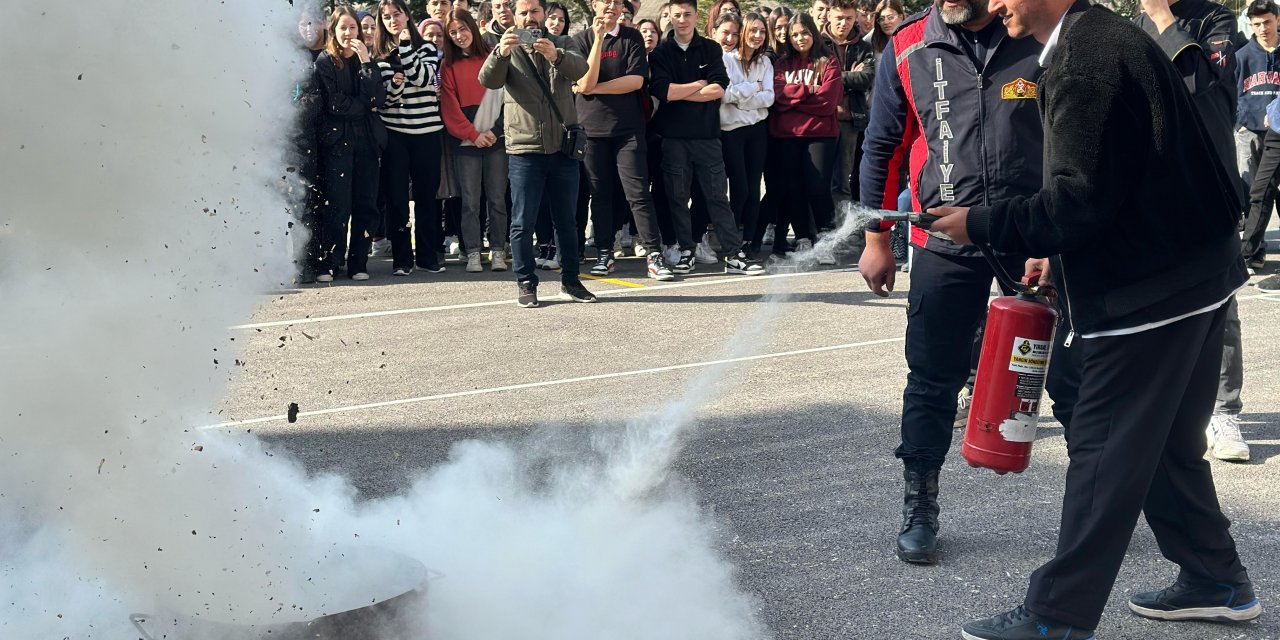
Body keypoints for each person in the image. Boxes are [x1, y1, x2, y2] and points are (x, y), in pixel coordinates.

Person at [931, 0, 1260, 635]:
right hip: (1196, 274)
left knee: (1101, 449)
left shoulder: (1085, 58)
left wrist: (979, 224)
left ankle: (1057, 615)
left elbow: (1077, 201)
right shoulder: (1101, 38)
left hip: (1149, 293)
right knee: (1165, 442)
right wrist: (1055, 254)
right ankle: (1214, 577)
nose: (995, 5)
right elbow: (1120, 178)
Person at [857, 0, 1044, 565]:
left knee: (1077, 382)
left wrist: (1054, 240)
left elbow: (1073, 142)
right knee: (932, 377)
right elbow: (881, 144)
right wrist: (876, 237)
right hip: (943, 238)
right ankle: (920, 506)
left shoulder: (1039, 34)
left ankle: (1092, 513)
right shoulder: (909, 44)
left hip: (1032, 234)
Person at [479, 0, 598, 307]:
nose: (530, 18)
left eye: (535, 12)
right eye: (523, 13)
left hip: (563, 147)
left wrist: (555, 55)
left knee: (567, 220)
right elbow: (488, 80)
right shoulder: (506, 46)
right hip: (524, 147)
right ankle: (526, 282)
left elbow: (581, 69)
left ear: (544, 14)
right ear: (513, 17)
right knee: (522, 221)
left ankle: (571, 282)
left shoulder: (562, 42)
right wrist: (500, 52)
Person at [649, 0, 766, 275]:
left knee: (717, 197)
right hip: (674, 139)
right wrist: (697, 86)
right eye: (676, 15)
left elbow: (719, 88)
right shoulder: (662, 52)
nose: (681, 20)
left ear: (696, 16)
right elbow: (663, 91)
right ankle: (686, 251)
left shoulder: (711, 49)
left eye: (687, 14)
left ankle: (734, 255)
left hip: (708, 137)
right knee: (677, 197)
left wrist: (682, 92)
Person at [573, 0, 673, 280]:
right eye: (606, 1)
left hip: (628, 130)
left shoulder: (632, 37)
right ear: (594, 4)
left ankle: (654, 254)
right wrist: (598, 40)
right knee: (600, 195)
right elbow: (582, 78)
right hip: (591, 130)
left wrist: (593, 87)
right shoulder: (578, 40)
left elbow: (635, 81)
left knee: (638, 194)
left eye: (618, 2)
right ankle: (605, 253)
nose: (612, 6)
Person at [314, 5, 388, 282]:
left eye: (353, 27)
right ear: (333, 30)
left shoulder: (365, 60)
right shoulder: (325, 61)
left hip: (366, 141)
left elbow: (378, 99)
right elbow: (334, 104)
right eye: (343, 27)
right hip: (337, 142)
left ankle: (359, 261)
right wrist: (364, 106)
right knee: (337, 203)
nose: (349, 33)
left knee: (366, 203)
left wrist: (367, 62)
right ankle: (330, 262)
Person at [375, 0, 446, 276]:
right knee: (396, 199)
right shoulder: (379, 54)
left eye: (397, 14)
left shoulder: (427, 47)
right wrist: (394, 87)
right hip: (395, 134)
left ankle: (428, 256)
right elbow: (385, 101)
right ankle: (402, 258)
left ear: (407, 16)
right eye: (387, 16)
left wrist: (405, 49)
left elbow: (424, 78)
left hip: (427, 133)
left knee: (427, 197)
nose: (393, 20)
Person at [440, 8, 510, 273]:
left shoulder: (494, 55)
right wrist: (473, 134)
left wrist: (495, 129)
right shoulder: (447, 65)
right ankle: (472, 251)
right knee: (470, 201)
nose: (459, 36)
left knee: (497, 199)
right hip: (466, 141)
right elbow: (449, 108)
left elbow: (507, 96)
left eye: (463, 29)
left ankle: (498, 250)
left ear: (474, 27)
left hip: (497, 137)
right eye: (453, 32)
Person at [770, 12, 843, 262]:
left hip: (821, 135)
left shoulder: (828, 62)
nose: (800, 38)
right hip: (786, 135)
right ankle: (802, 237)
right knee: (794, 188)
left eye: (804, 33)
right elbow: (778, 97)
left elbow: (827, 102)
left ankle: (825, 241)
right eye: (794, 34)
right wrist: (809, 90)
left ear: (813, 32)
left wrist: (794, 98)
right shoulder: (781, 64)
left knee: (818, 188)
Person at [720, 12, 774, 258]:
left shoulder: (765, 63)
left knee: (753, 189)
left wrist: (743, 99)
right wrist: (754, 88)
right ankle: (730, 239)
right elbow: (725, 95)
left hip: (757, 131)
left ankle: (749, 241)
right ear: (743, 32)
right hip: (731, 131)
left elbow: (770, 98)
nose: (757, 36)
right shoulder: (727, 59)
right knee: (739, 189)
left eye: (762, 31)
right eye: (753, 30)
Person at [1236, 0, 1280, 277]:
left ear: (1277, 19)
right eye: (1257, 24)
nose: (1263, 28)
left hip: (1278, 132)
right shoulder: (1242, 55)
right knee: (1256, 193)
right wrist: (1241, 122)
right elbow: (1232, 90)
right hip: (1251, 132)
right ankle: (1257, 250)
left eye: (1267, 21)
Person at [824, 0, 875, 212]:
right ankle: (816, 228)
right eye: (839, 18)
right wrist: (848, 75)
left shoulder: (862, 46)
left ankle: (840, 229)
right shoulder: (818, 44)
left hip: (850, 119)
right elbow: (817, 80)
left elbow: (867, 78)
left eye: (848, 18)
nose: (843, 23)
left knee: (842, 180)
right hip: (820, 118)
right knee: (816, 177)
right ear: (829, 16)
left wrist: (833, 77)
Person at [293, 6, 329, 284]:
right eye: (304, 22)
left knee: (321, 202)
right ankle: (301, 261)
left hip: (329, 142)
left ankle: (322, 260)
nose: (309, 28)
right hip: (297, 142)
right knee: (300, 202)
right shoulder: (288, 58)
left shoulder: (333, 55)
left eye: (315, 22)